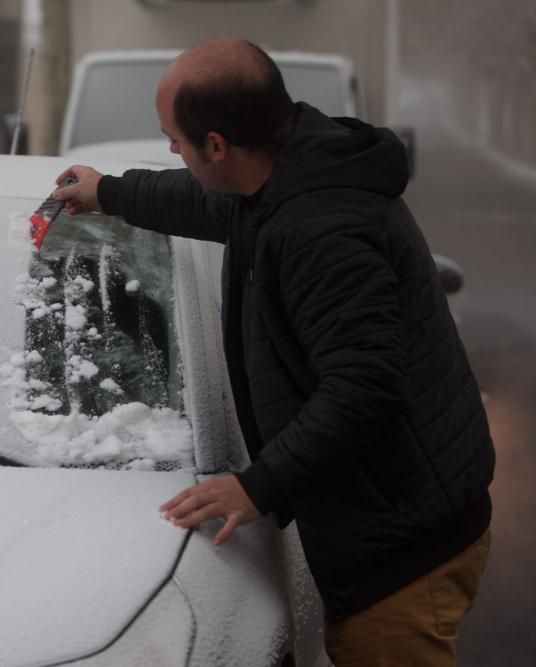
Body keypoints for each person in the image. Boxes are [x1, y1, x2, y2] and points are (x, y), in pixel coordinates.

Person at [53, 38, 494, 666]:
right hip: (392, 515)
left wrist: (256, 485)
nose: (170, 151)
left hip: (402, 547)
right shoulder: (284, 177)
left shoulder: (325, 231)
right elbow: (203, 200)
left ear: (217, 146)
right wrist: (110, 192)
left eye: (175, 139)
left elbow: (364, 386)